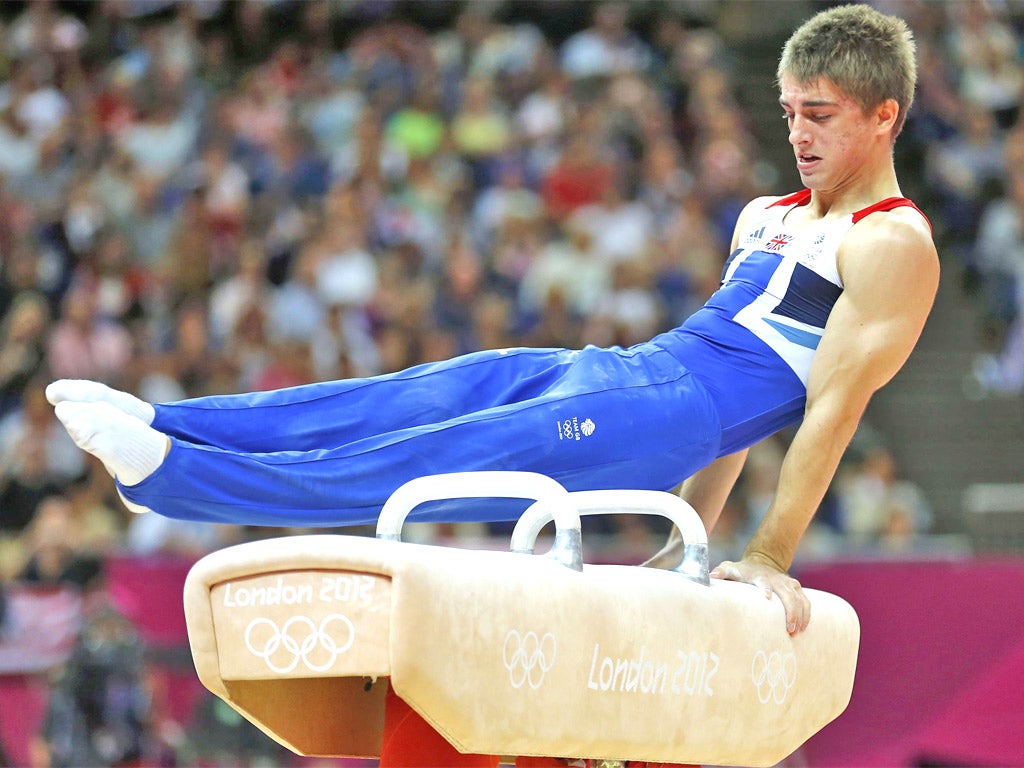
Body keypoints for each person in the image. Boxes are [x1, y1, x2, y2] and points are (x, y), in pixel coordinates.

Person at [47, 5, 937, 765]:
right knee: (413, 394)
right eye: (788, 112)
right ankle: (167, 420)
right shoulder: (768, 215)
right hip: (626, 371)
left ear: (885, 115)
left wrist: (769, 553)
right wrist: (692, 540)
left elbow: (831, 410)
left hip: (655, 414)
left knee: (422, 460)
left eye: (819, 115)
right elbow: (732, 424)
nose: (797, 135)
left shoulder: (892, 245)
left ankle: (168, 478)